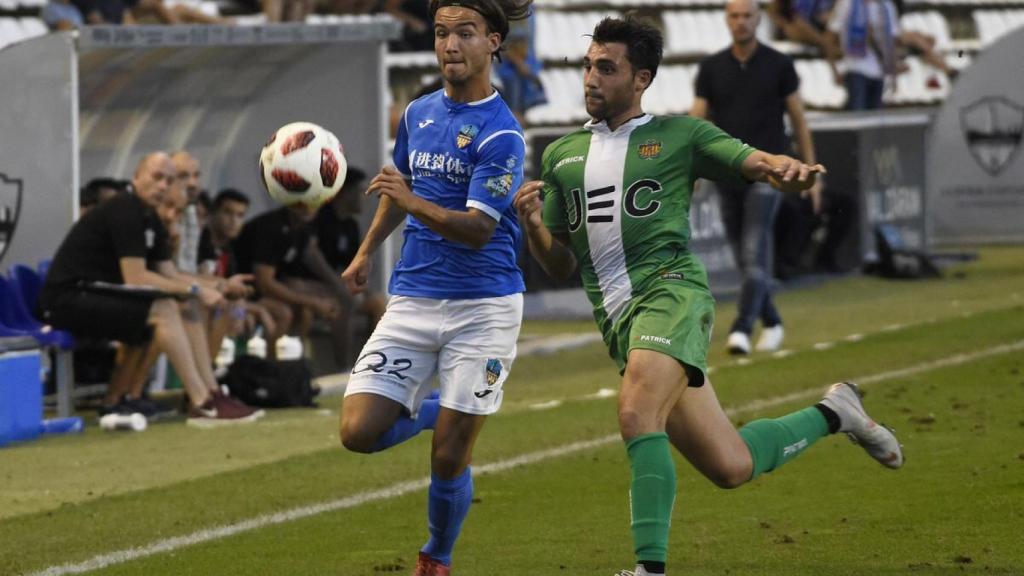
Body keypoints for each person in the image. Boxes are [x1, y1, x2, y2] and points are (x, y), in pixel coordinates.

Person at [513, 16, 903, 576]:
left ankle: (649, 570)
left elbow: (755, 160)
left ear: (642, 78)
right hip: (621, 324)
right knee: (731, 465)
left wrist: (785, 170)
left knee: (635, 411)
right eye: (588, 66)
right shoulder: (561, 154)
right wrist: (533, 227)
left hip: (672, 295)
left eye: (607, 68)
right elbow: (560, 264)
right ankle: (837, 412)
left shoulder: (681, 136)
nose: (591, 78)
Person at [338, 0, 532, 573]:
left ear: (492, 41)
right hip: (414, 298)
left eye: (464, 33)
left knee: (449, 457)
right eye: (442, 33)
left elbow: (476, 229)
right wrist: (365, 251)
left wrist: (410, 200)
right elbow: (400, 188)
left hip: (484, 308)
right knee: (357, 432)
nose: (450, 44)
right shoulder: (418, 112)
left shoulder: (503, 134)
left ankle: (436, 557)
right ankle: (434, 409)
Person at [36, 152, 262, 426]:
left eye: (169, 180)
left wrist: (219, 285)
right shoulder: (124, 209)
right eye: (156, 177)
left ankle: (205, 393)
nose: (163, 186)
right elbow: (136, 277)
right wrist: (195, 290)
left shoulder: (149, 216)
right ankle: (201, 401)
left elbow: (169, 273)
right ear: (136, 177)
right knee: (164, 308)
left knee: (182, 304)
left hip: (93, 294)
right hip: (66, 300)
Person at [691, 0, 821, 354]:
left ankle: (742, 328)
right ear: (726, 20)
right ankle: (773, 321)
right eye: (734, 16)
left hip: (770, 173)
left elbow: (798, 120)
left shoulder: (779, 64)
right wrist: (691, 165)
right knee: (744, 256)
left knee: (754, 246)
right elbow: (696, 121)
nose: (741, 22)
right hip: (726, 172)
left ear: (758, 19)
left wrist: (812, 171)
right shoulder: (711, 68)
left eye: (747, 16)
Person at [289, 168, 386, 365]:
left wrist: (361, 285)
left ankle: (375, 366)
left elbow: (354, 263)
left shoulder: (351, 225)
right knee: (345, 301)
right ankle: (344, 367)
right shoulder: (319, 217)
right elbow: (310, 255)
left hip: (335, 288)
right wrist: (338, 284)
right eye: (359, 191)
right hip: (309, 286)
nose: (365, 196)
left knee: (378, 302)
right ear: (344, 192)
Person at [232, 202, 338, 360]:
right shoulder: (271, 227)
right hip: (246, 292)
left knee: (309, 309)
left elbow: (290, 277)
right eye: (302, 200)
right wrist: (313, 301)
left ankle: (296, 363)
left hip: (265, 290)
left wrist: (330, 295)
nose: (307, 206)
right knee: (283, 313)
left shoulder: (304, 228)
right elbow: (264, 284)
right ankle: (270, 366)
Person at [826, 0, 902, 110]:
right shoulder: (847, 3)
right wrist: (834, 69)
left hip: (879, 71)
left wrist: (894, 76)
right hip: (855, 68)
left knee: (875, 115)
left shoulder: (886, 6)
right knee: (857, 113)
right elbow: (830, 37)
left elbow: (892, 42)